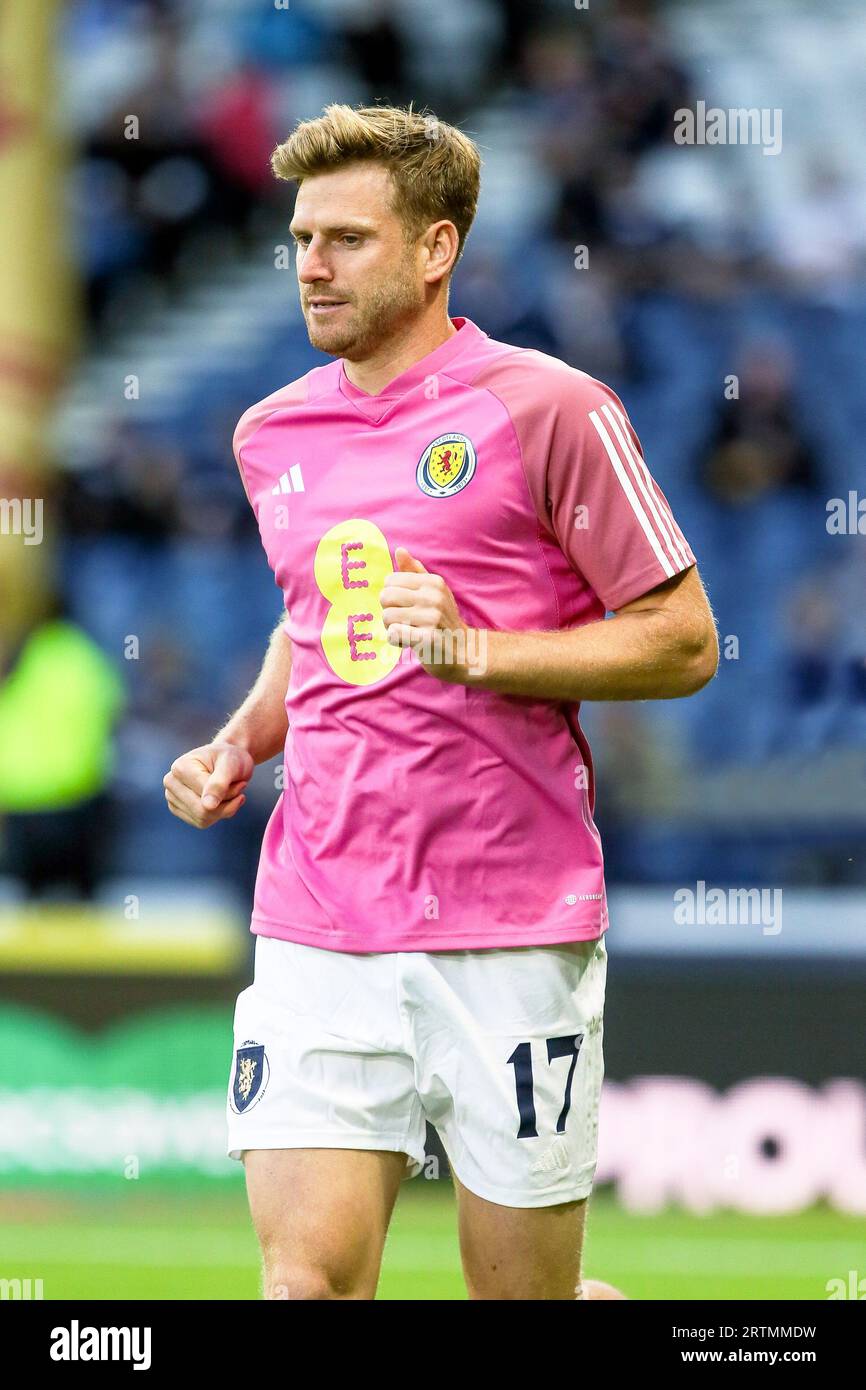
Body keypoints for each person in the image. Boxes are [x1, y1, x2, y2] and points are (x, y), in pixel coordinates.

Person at [164, 103, 718, 1301]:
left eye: (347, 238)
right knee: (303, 1285)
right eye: (301, 237)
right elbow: (311, 617)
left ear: (434, 249)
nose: (310, 263)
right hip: (318, 912)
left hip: (508, 922)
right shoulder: (271, 433)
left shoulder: (551, 410)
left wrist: (482, 653)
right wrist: (243, 736)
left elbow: (681, 643)